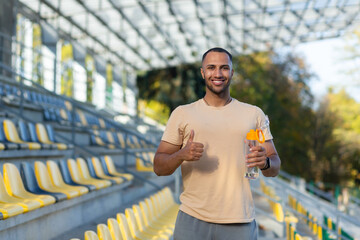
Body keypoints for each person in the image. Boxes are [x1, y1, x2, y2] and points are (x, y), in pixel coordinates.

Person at [153, 47, 281, 240]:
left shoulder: (253, 115)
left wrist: (265, 162)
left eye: (224, 67)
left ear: (232, 72)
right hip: (192, 219)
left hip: (239, 221)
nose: (218, 73)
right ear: (203, 72)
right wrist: (181, 155)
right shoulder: (182, 113)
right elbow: (159, 167)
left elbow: (275, 166)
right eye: (211, 67)